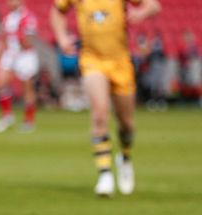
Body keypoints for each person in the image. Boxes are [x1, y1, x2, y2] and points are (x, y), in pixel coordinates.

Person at [51, 0, 160, 197]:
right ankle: (105, 174)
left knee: (126, 124)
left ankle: (124, 157)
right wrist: (61, 38)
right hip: (92, 59)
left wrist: (140, 13)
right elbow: (57, 11)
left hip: (120, 62)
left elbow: (153, 5)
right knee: (100, 113)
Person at [0, 0, 39, 133]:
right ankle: (7, 116)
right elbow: (4, 38)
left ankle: (29, 120)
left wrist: (20, 45)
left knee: (27, 89)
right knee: (0, 82)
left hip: (25, 55)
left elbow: (30, 39)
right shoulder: (8, 18)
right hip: (11, 54)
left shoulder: (28, 17)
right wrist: (0, 55)